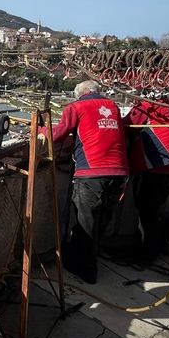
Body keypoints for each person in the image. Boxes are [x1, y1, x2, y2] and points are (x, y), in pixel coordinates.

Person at [52, 80, 128, 284]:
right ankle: (87, 258)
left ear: (80, 94)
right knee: (102, 218)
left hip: (91, 172)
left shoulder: (76, 107)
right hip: (119, 173)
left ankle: (86, 270)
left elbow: (58, 134)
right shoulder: (113, 107)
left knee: (85, 222)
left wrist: (41, 132)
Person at [124, 97, 169, 263]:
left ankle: (146, 255)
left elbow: (127, 126)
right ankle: (157, 248)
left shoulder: (147, 104)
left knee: (147, 211)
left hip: (156, 165)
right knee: (155, 210)